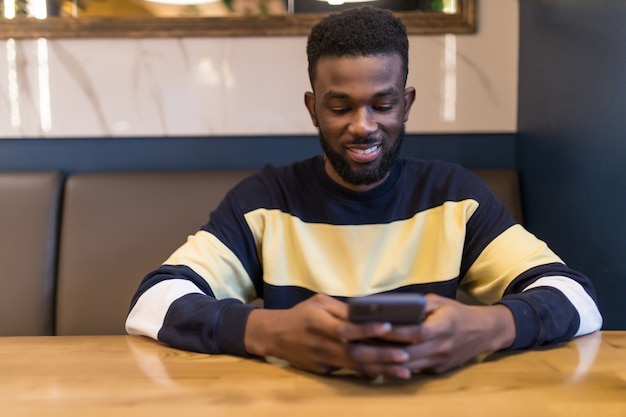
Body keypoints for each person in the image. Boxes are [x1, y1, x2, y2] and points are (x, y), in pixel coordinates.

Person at [126, 6, 602, 380]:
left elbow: (576, 298)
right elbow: (153, 301)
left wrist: (486, 328)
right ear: (313, 109)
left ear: (407, 104)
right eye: (340, 106)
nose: (363, 126)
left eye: (383, 104)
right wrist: (268, 332)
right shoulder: (265, 201)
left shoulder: (455, 197)